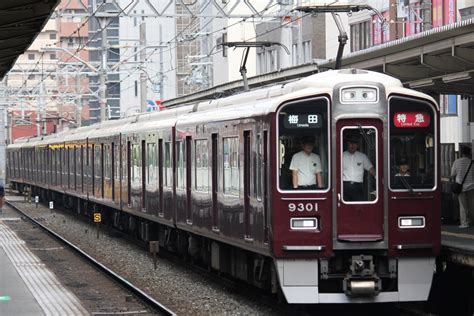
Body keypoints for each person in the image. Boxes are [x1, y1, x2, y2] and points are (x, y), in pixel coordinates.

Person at [342, 135, 375, 201]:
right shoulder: (341, 155)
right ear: (347, 144)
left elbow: (371, 169)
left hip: (358, 187)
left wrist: (379, 180)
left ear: (357, 145)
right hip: (344, 186)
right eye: (350, 143)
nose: (352, 146)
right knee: (344, 208)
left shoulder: (362, 156)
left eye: (354, 144)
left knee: (358, 207)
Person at [451, 146, 474, 228]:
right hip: (472, 186)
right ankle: (471, 221)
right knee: (472, 205)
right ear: (469, 153)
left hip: (461, 187)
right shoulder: (472, 162)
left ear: (461, 153)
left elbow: (452, 174)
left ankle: (464, 223)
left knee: (463, 206)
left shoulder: (457, 162)